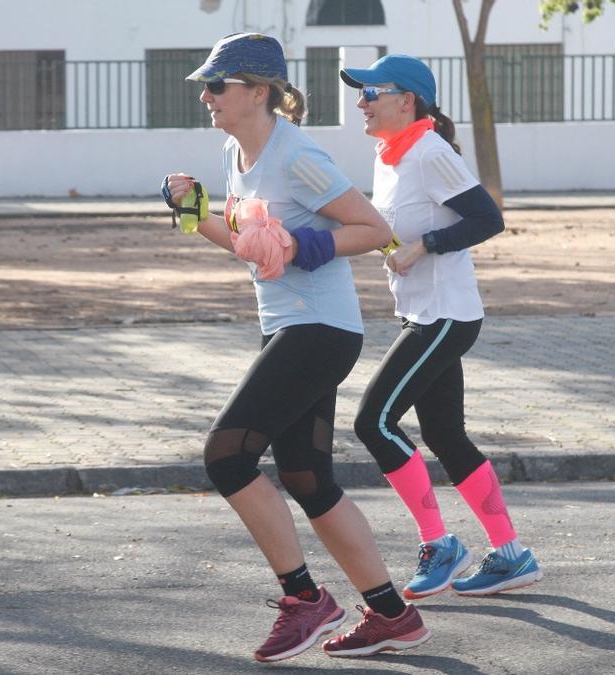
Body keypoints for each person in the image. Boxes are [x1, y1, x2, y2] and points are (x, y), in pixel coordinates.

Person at [161, 34, 429, 662]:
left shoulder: (297, 155)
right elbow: (253, 249)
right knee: (308, 478)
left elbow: (374, 229)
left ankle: (305, 599)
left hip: (319, 330)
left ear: (257, 92)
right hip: (289, 326)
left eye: (217, 85)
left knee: (227, 458)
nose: (207, 95)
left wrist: (305, 247)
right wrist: (191, 211)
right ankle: (393, 615)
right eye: (206, 85)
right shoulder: (239, 153)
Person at [340, 54, 544, 599]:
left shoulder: (428, 152)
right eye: (359, 93)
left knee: (373, 422)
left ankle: (440, 543)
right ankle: (511, 555)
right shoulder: (391, 155)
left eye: (370, 92)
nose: (360, 101)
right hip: (424, 313)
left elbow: (488, 218)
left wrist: (425, 245)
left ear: (406, 101)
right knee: (444, 435)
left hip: (445, 316)